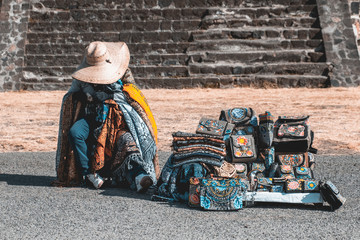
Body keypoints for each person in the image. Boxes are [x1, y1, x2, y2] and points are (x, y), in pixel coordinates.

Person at [53, 41, 160, 192]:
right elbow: (70, 96)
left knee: (127, 141)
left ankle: (139, 176)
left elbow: (132, 96)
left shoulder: (123, 72)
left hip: (119, 118)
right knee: (75, 133)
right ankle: (89, 173)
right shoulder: (82, 77)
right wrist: (85, 95)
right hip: (92, 116)